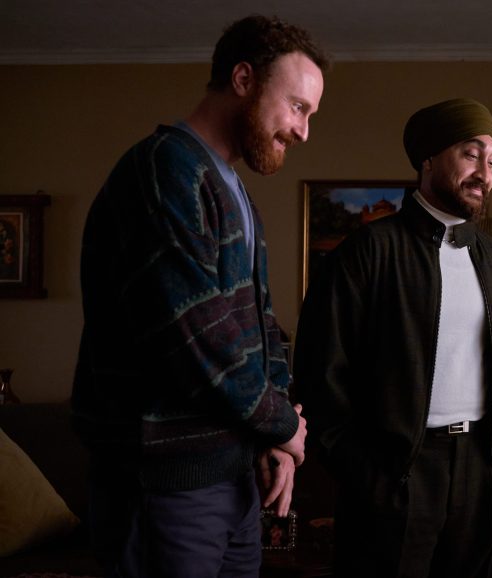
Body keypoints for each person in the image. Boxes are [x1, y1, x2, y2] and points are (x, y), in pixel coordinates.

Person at [72, 14, 328, 577]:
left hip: (234, 476)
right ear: (243, 79)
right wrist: (285, 426)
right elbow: (197, 337)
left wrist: (275, 438)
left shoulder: (235, 191)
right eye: (297, 107)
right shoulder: (164, 169)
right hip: (165, 486)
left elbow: (262, 331)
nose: (303, 131)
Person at [292, 97, 492, 578]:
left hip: (485, 472)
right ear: (428, 159)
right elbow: (321, 375)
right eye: (471, 154)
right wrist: (364, 473)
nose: (484, 174)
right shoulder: (365, 252)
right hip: (395, 474)